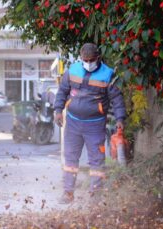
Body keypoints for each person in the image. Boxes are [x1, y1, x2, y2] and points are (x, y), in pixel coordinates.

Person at [54, 43, 126, 204]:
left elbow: (117, 100)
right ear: (81, 59)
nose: (88, 63)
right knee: (70, 159)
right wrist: (58, 110)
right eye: (85, 60)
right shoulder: (72, 70)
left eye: (91, 60)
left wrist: (120, 119)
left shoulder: (108, 74)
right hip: (73, 123)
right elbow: (62, 91)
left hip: (95, 126)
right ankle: (68, 193)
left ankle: (95, 195)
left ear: (98, 58)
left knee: (97, 161)